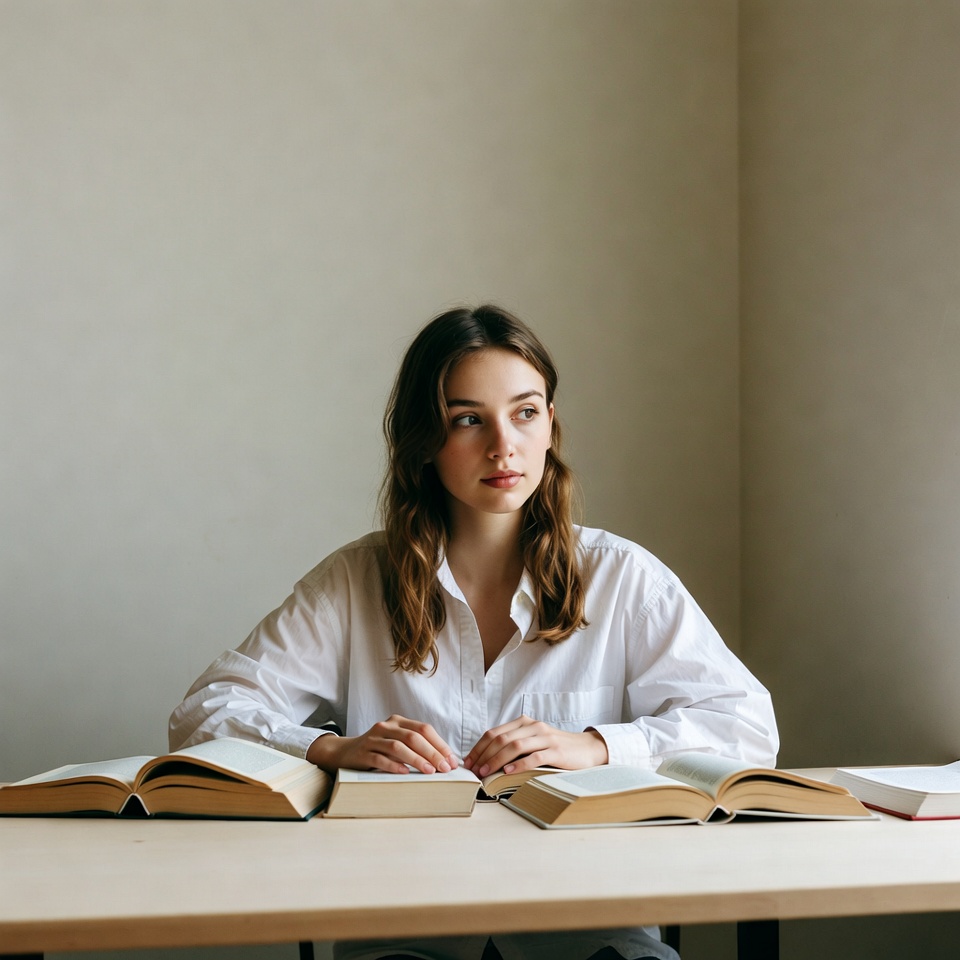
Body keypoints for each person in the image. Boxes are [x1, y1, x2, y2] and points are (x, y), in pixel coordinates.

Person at [169, 304, 778, 960]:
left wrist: (600, 746)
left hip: (592, 934)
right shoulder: (354, 581)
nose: (502, 446)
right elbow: (202, 717)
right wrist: (328, 749)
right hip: (402, 937)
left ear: (551, 425)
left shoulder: (622, 577)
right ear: (426, 441)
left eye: (524, 412)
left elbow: (746, 729)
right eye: (468, 419)